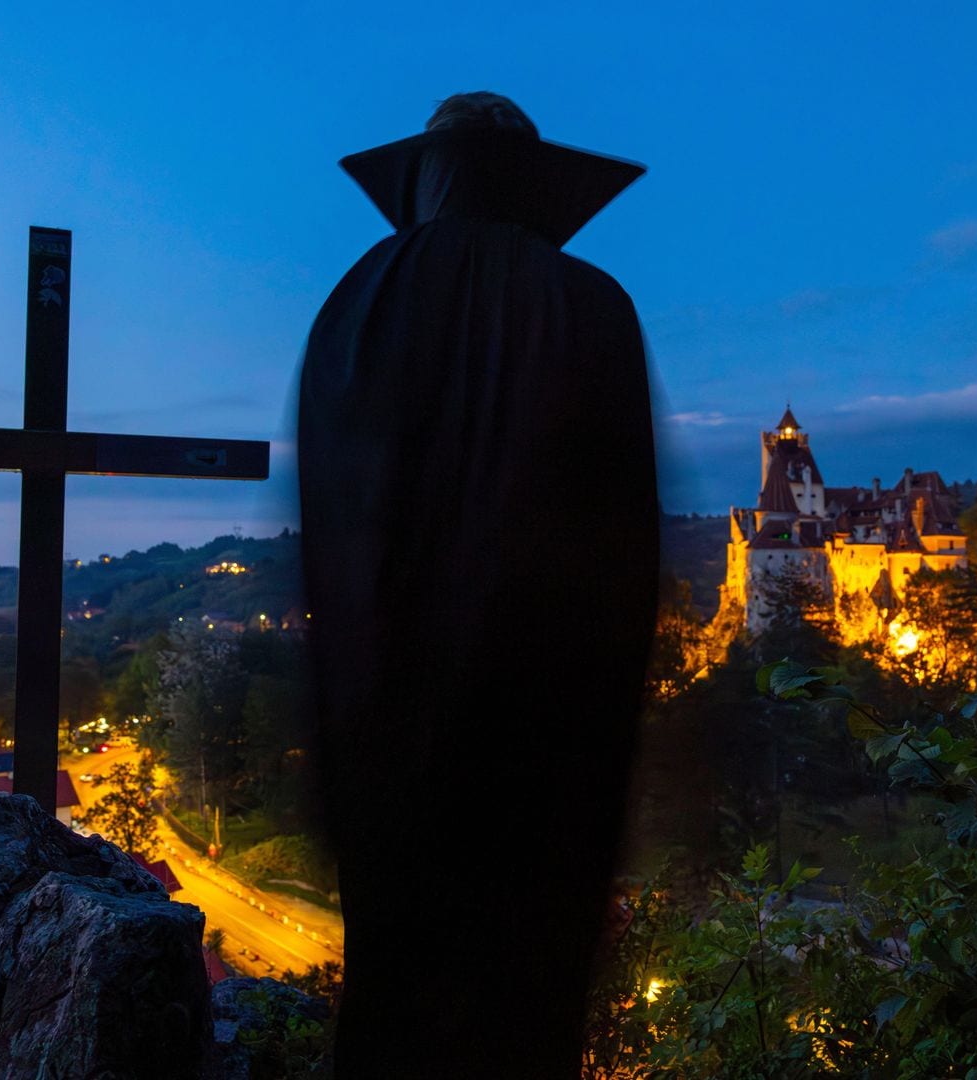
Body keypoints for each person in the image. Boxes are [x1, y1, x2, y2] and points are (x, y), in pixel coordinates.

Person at [298, 91, 658, 1079]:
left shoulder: (353, 307)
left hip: (388, 722)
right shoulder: (592, 307)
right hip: (547, 734)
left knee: (397, 986)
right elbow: (623, 546)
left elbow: (337, 524)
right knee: (524, 999)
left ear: (425, 177)